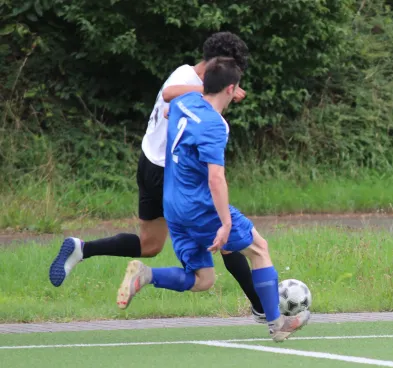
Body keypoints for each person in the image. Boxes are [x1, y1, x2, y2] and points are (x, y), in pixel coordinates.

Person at [48, 32, 266, 322]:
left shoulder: (184, 73)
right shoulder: (187, 80)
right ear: (219, 64)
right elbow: (169, 94)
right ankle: (262, 308)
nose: (235, 83)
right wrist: (213, 90)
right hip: (170, 173)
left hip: (149, 164)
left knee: (150, 244)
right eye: (233, 74)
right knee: (227, 239)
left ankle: (81, 249)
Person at [116, 57, 310, 342]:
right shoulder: (215, 125)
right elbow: (216, 178)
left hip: (172, 205)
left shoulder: (183, 104)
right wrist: (226, 223)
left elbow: (168, 110)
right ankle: (277, 323)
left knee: (203, 279)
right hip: (200, 207)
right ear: (230, 89)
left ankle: (146, 275)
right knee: (259, 248)